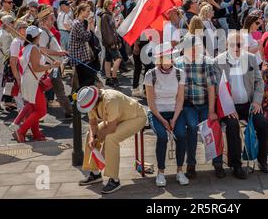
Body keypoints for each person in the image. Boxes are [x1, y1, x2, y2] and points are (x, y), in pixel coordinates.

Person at [213, 32, 268, 178]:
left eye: (239, 44)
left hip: (248, 104)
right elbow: (218, 89)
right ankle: (236, 164)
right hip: (228, 105)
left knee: (263, 124)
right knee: (232, 125)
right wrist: (228, 107)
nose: (236, 47)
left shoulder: (250, 58)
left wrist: (257, 101)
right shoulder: (219, 61)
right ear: (227, 45)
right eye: (233, 44)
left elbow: (259, 82)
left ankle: (262, 160)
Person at [78, 86, 147, 194]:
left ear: (95, 101)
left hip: (136, 117)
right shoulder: (91, 102)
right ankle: (95, 173)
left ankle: (114, 180)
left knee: (111, 138)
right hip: (118, 118)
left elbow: (111, 128)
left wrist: (98, 138)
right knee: (89, 135)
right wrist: (93, 138)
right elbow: (92, 124)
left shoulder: (111, 100)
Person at [145, 43, 189, 187]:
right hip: (157, 112)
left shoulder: (179, 73)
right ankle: (161, 172)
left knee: (182, 135)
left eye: (169, 56)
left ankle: (180, 171)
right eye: (164, 57)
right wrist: (164, 122)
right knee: (162, 137)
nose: (167, 59)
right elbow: (151, 104)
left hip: (175, 111)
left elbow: (180, 99)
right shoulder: (150, 75)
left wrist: (174, 119)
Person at [174, 36, 218, 179]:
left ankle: (217, 163)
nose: (194, 53)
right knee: (192, 127)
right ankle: (191, 164)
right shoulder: (178, 64)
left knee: (211, 126)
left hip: (205, 103)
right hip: (188, 105)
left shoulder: (206, 63)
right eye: (190, 50)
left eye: (196, 50)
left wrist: (211, 111)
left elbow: (212, 88)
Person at [14, 26, 61, 142]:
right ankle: (21, 130)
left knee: (35, 109)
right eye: (40, 35)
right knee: (41, 110)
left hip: (29, 80)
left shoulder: (27, 47)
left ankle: (36, 134)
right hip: (32, 82)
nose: (41, 36)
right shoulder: (33, 48)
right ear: (37, 36)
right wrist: (52, 66)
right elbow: (37, 67)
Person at [38, 7, 72, 119]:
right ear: (43, 21)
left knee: (56, 89)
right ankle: (69, 111)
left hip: (53, 66)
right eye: (51, 19)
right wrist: (59, 53)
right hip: (50, 66)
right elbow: (42, 50)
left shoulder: (47, 31)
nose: (54, 20)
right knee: (58, 89)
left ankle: (68, 111)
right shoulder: (43, 32)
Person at [69, 3, 96, 89]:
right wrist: (88, 25)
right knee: (86, 80)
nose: (89, 13)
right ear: (81, 11)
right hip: (78, 56)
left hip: (82, 55)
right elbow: (86, 37)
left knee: (86, 79)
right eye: (87, 11)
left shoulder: (80, 22)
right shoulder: (77, 23)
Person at [100, 0, 122, 87]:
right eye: (108, 4)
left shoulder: (109, 15)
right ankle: (114, 77)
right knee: (118, 58)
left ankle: (109, 79)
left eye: (111, 4)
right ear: (105, 5)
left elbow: (113, 30)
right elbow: (106, 32)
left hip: (110, 41)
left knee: (108, 60)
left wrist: (118, 40)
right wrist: (112, 42)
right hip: (109, 42)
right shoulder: (105, 16)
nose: (110, 6)